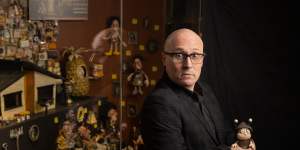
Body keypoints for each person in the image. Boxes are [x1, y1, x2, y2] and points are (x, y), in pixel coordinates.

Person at [141, 28, 240, 150]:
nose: (188, 65)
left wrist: (243, 143)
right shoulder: (159, 103)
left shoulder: (205, 89)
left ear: (202, 60)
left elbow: (224, 133)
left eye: (195, 55)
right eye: (179, 55)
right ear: (164, 59)